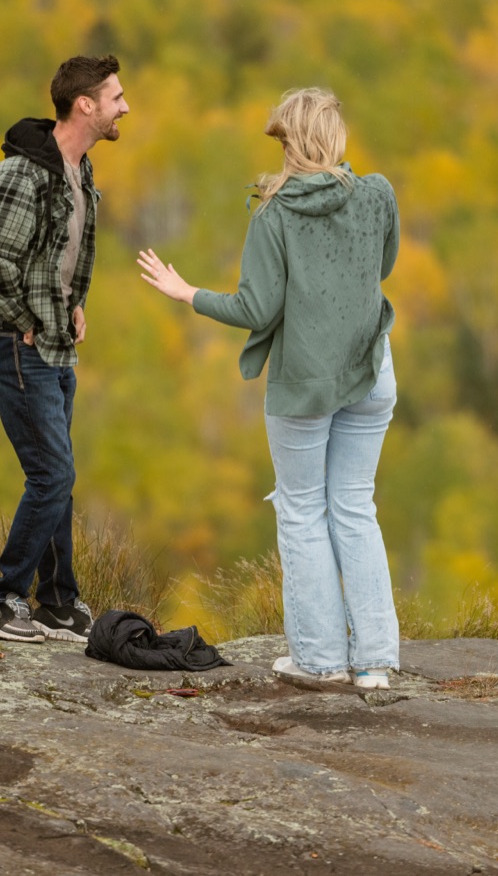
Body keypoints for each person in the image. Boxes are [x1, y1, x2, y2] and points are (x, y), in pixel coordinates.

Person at [137, 87, 400, 689]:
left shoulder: (273, 216)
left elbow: (257, 308)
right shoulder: (378, 194)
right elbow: (381, 267)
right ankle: (376, 664)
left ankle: (321, 662)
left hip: (305, 387)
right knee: (356, 508)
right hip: (370, 372)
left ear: (288, 144)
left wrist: (188, 294)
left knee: (304, 513)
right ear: (335, 136)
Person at [0, 54, 129, 643]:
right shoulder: (24, 172)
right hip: (16, 343)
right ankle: (3, 598)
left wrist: (71, 303)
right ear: (85, 105)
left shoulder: (77, 171)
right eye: (115, 97)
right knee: (52, 473)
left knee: (61, 475)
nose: (123, 107)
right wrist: (29, 314)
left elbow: (57, 257)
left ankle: (59, 602)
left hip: (56, 344)